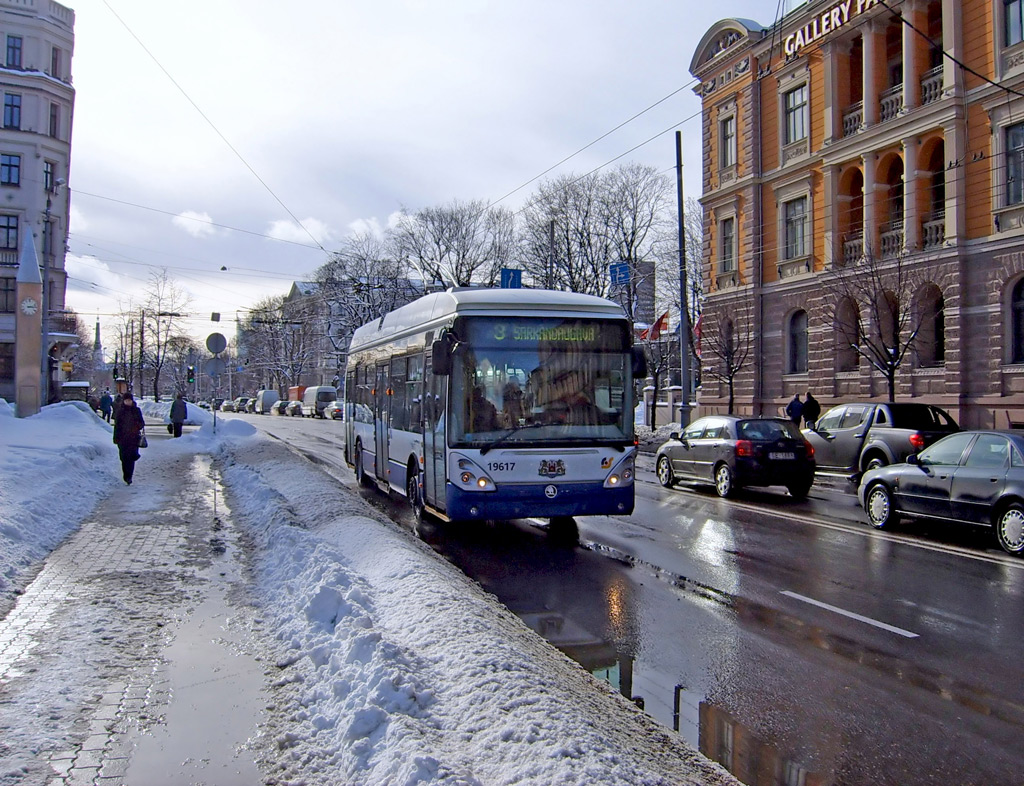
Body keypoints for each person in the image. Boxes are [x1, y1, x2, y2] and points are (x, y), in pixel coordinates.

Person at [113, 392, 146, 485]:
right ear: (123, 401)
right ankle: (126, 474)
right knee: (124, 458)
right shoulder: (120, 411)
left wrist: (136, 427)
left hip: (133, 438)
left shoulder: (136, 410)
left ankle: (129, 477)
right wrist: (116, 437)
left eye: (129, 400)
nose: (128, 402)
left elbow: (141, 423)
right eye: (126, 400)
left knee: (131, 458)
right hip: (122, 438)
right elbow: (117, 425)